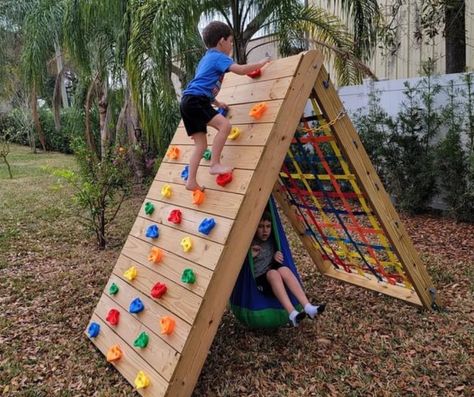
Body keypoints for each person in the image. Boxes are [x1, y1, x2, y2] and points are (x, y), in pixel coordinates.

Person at [180, 21, 270, 191]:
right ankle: (215, 164)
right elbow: (242, 70)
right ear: (221, 41)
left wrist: (217, 103)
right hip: (196, 101)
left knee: (200, 146)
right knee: (225, 126)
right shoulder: (218, 57)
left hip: (188, 101)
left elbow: (202, 84)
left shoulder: (206, 58)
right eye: (230, 41)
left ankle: (191, 181)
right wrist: (261, 63)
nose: (230, 45)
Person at [251, 211, 326, 327]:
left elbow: (274, 263)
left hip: (274, 278)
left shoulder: (272, 240)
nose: (265, 230)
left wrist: (275, 259)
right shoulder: (250, 243)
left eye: (268, 226)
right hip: (260, 282)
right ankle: (292, 313)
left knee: (284, 269)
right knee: (273, 273)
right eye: (260, 227)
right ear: (255, 228)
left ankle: (308, 307)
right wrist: (250, 256)